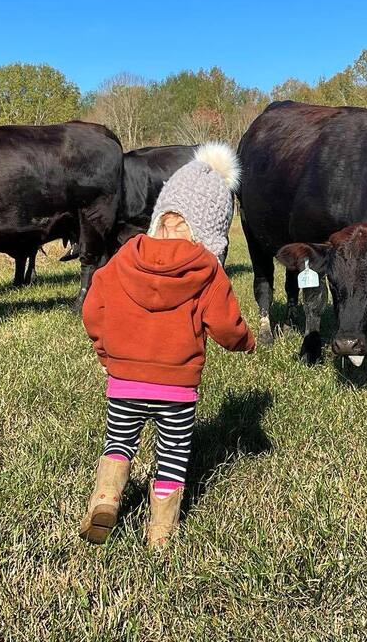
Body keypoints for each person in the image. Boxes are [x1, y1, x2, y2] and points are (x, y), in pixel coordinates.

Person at [79, 143, 255, 547]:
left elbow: (93, 311)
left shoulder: (123, 259)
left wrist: (107, 353)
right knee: (172, 458)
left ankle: (106, 497)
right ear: (211, 232)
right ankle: (160, 531)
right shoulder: (207, 270)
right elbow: (227, 326)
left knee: (118, 443)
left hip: (124, 382)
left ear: (159, 218)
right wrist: (245, 341)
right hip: (177, 389)